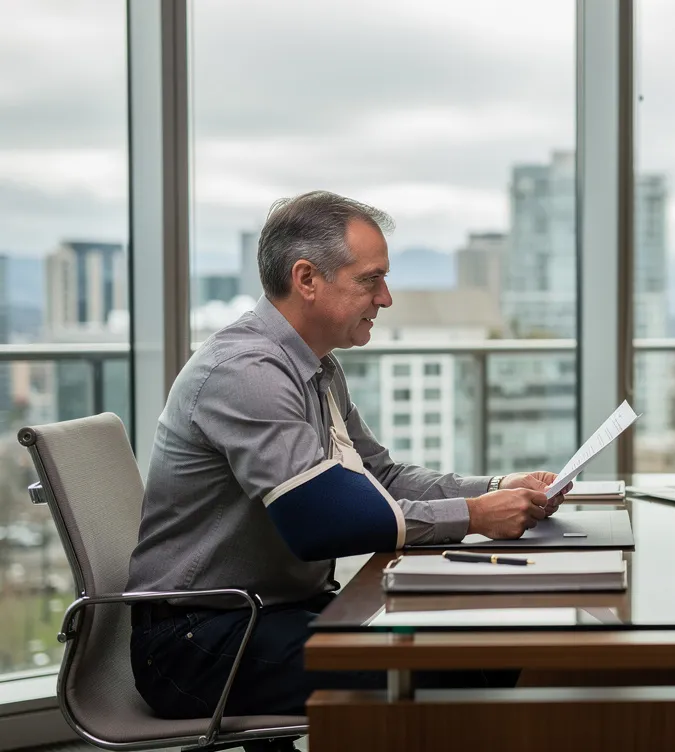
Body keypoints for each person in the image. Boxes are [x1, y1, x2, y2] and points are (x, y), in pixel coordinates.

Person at [126, 191, 565, 728]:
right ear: (306, 279)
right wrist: (475, 517)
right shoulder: (246, 372)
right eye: (370, 279)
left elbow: (379, 476)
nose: (386, 298)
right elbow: (322, 523)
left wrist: (495, 487)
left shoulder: (315, 365)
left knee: (479, 636)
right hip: (197, 643)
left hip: (268, 612)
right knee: (461, 661)